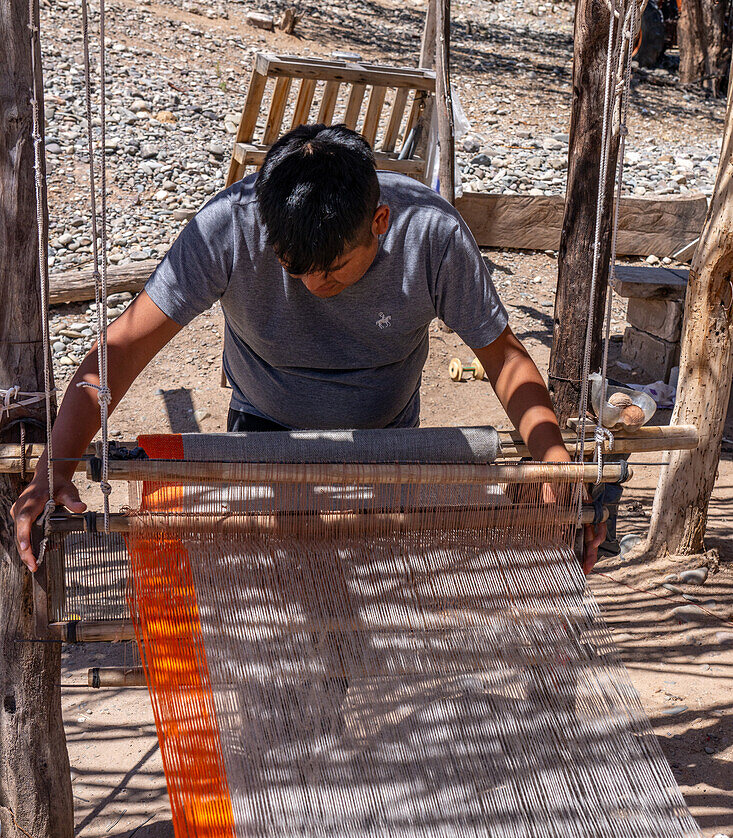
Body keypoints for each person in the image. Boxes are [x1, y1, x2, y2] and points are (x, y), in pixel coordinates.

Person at [13, 123, 605, 571]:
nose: (313, 286)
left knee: (372, 603)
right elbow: (120, 350)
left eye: (333, 269)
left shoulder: (432, 237)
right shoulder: (228, 227)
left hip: (389, 447)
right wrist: (56, 462)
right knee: (267, 611)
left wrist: (551, 457)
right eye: (294, 268)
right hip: (262, 437)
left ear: (379, 222)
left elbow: (502, 357)